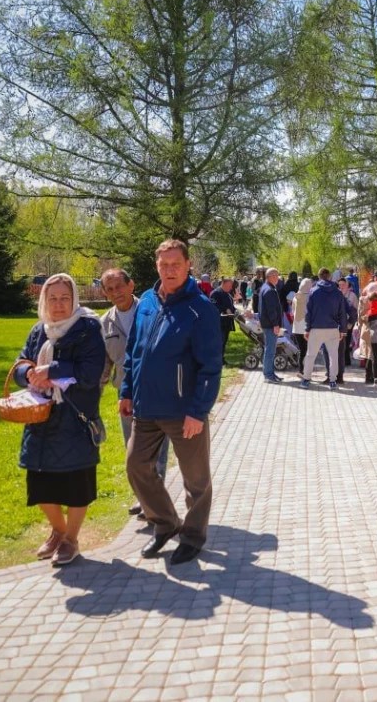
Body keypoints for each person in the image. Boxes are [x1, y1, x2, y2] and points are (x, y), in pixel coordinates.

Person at [120, 239, 223, 565]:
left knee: (196, 480)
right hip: (146, 407)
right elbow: (135, 350)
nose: (169, 270)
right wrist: (126, 390)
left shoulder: (200, 308)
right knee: (135, 466)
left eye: (175, 264)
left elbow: (211, 365)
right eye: (163, 265)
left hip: (184, 412)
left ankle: (192, 536)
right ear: (156, 266)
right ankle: (165, 523)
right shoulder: (148, 301)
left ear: (188, 265)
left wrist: (198, 410)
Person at [13, 273, 105, 567]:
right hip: (41, 420)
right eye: (52, 298)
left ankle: (71, 540)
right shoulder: (38, 330)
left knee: (76, 485)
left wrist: (51, 371)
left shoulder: (88, 328)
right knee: (40, 485)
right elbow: (20, 363)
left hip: (75, 418)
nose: (59, 304)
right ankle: (59, 530)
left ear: (74, 298)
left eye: (65, 298)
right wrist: (28, 374)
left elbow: (91, 372)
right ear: (44, 301)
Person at [99, 268, 167, 518]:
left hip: (155, 391)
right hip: (126, 395)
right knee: (134, 450)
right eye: (110, 289)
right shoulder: (104, 323)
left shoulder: (152, 311)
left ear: (131, 285)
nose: (116, 292)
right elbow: (104, 363)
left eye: (119, 286)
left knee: (158, 449)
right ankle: (143, 498)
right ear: (106, 294)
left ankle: (156, 504)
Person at [300, 268, 347, 390]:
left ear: (319, 276)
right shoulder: (338, 292)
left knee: (311, 355)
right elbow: (342, 312)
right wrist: (343, 330)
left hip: (316, 328)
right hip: (333, 328)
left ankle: (306, 379)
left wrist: (307, 328)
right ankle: (333, 381)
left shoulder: (313, 291)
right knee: (333, 355)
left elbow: (308, 312)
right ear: (330, 277)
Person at [258, 268, 285, 383]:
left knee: (270, 349)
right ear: (271, 276)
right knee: (270, 350)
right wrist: (275, 324)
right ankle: (268, 375)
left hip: (267, 324)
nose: (278, 278)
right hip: (270, 325)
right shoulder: (269, 290)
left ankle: (270, 373)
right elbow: (271, 310)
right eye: (276, 275)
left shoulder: (267, 288)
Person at [210, 277, 237, 366]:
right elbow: (213, 306)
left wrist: (235, 311)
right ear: (224, 284)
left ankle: (221, 359)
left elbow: (230, 306)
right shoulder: (215, 293)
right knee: (219, 342)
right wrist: (225, 310)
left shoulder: (227, 294)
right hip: (219, 323)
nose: (231, 287)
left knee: (224, 341)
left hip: (227, 322)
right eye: (229, 285)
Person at [291, 277, 313, 376]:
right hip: (307, 327)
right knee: (308, 350)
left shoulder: (295, 296)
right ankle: (306, 370)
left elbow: (292, 312)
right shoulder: (311, 296)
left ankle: (301, 369)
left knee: (301, 349)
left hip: (296, 327)